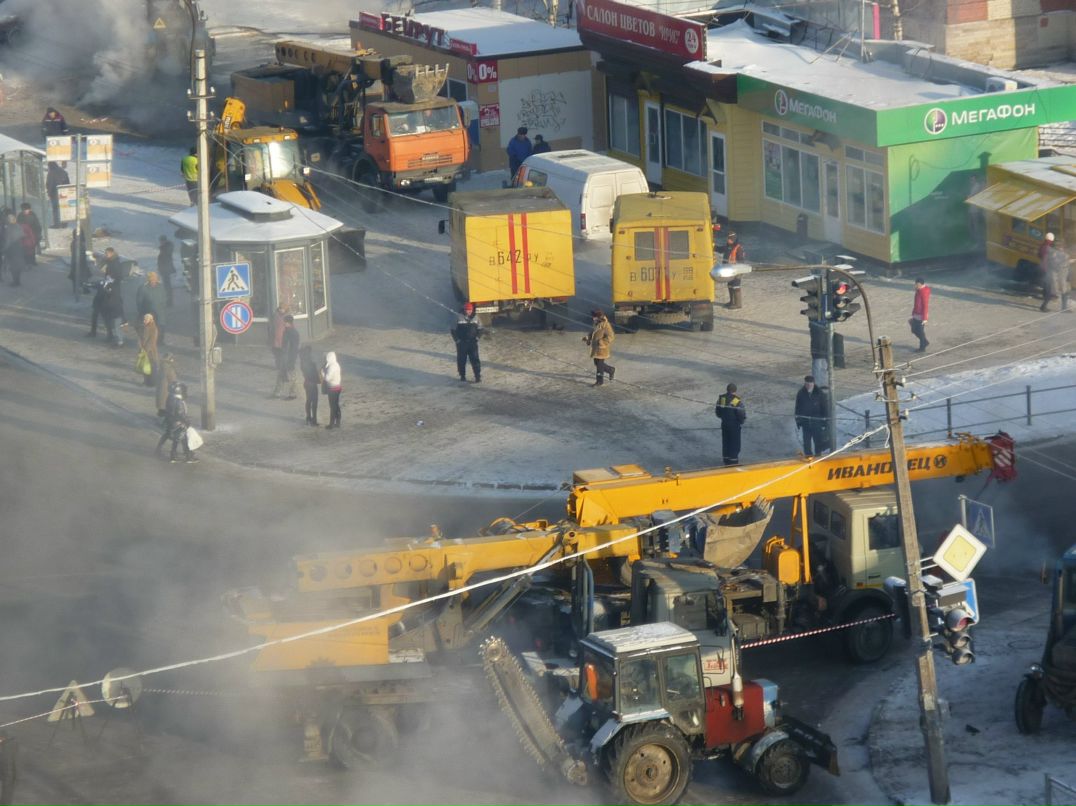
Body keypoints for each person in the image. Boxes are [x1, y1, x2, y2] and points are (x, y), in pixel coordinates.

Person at [156, 382, 197, 463]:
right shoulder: (178, 401)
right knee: (183, 438)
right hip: (178, 423)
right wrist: (187, 421)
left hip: (170, 421)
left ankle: (161, 451)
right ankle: (187, 456)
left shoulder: (170, 397)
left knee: (170, 436)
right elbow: (180, 413)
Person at [794, 375, 827, 456]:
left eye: (810, 384)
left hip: (817, 422)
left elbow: (825, 408)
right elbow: (798, 408)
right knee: (806, 443)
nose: (808, 386)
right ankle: (808, 457)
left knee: (818, 442)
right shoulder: (801, 393)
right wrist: (798, 421)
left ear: (813, 384)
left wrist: (824, 422)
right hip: (806, 423)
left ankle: (818, 456)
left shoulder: (819, 393)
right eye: (807, 384)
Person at [715, 383, 746, 466]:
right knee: (734, 443)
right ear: (735, 391)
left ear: (727, 390)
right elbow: (741, 414)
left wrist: (724, 418)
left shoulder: (722, 399)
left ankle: (726, 459)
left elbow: (718, 412)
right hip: (734, 425)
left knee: (726, 442)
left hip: (724, 424)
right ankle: (733, 462)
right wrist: (741, 421)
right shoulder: (736, 401)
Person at [583, 309, 616, 387]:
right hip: (595, 348)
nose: (593, 318)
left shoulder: (606, 325)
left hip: (602, 348)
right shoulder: (596, 323)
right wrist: (588, 338)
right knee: (596, 363)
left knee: (599, 366)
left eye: (595, 317)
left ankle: (599, 381)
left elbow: (611, 336)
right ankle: (610, 370)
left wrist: (602, 342)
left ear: (599, 317)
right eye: (593, 317)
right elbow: (592, 333)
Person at [451, 302, 482, 383]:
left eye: (470, 310)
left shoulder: (476, 317)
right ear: (464, 310)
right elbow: (453, 330)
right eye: (467, 310)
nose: (469, 311)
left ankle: (477, 376)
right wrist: (457, 340)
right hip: (462, 343)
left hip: (472, 343)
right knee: (461, 360)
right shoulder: (458, 317)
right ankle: (462, 375)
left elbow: (480, 329)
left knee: (475, 359)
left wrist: (477, 338)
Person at [136, 272, 168, 346]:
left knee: (161, 326)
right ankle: (151, 341)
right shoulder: (143, 288)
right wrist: (142, 312)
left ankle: (160, 341)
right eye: (152, 278)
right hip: (149, 312)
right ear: (148, 279)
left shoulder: (161, 287)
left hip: (160, 311)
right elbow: (139, 301)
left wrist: (163, 305)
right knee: (150, 328)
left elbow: (164, 297)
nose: (153, 280)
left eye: (155, 278)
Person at [273, 315, 300, 399]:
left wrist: (291, 360)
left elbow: (294, 348)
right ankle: (277, 393)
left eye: (284, 321)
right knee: (281, 374)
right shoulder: (287, 331)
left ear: (288, 322)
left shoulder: (292, 333)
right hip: (285, 357)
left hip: (289, 358)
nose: (283, 323)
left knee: (292, 376)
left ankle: (293, 394)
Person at [1041, 238, 1070, 313]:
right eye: (1059, 246)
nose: (1061, 247)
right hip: (1053, 276)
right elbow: (1056, 264)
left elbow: (1064, 261)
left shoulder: (1060, 253)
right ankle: (1043, 306)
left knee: (1065, 291)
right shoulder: (1053, 253)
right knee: (1051, 292)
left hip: (1060, 277)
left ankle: (1064, 308)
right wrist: (1066, 262)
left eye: (1062, 246)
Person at [299, 345, 321, 426]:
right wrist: (319, 380)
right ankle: (314, 420)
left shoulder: (302, 362)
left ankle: (308, 418)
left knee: (308, 401)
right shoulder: (311, 364)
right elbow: (314, 375)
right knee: (314, 402)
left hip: (307, 383)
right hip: (312, 384)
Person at [268, 303, 287, 395]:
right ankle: (278, 365)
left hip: (282, 341)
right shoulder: (275, 316)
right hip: (275, 340)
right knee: (277, 355)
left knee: (281, 356)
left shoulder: (286, 317)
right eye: (280, 308)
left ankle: (281, 365)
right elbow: (271, 328)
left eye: (282, 309)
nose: (281, 310)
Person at [2, 212, 25, 286]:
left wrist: (4, 249)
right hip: (19, 248)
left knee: (12, 266)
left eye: (8, 219)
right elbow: (22, 235)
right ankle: (18, 281)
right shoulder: (18, 226)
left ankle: (15, 282)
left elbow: (8, 240)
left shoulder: (9, 228)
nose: (6, 220)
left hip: (11, 249)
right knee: (17, 265)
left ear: (9, 220)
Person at [723, 231, 745, 309]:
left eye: (729, 239)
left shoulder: (738, 248)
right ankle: (731, 302)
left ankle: (738, 304)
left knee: (735, 286)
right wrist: (713, 246)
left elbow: (741, 260)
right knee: (730, 285)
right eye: (727, 238)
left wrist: (733, 262)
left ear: (733, 239)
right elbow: (721, 249)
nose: (727, 240)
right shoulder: (728, 246)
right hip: (729, 270)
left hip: (737, 270)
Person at [46, 161, 70, 228]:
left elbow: (49, 184)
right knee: (63, 208)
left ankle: (56, 224)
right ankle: (65, 223)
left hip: (54, 193)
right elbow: (67, 182)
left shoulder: (51, 173)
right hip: (64, 193)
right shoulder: (63, 171)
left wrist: (49, 193)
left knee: (55, 209)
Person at [322, 351, 342, 429]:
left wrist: (323, 373)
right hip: (337, 387)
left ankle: (331, 424)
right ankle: (338, 422)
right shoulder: (336, 364)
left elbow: (327, 378)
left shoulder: (331, 366)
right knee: (336, 405)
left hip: (332, 388)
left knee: (332, 406)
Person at [138, 313, 159, 387]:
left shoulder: (153, 329)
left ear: (151, 320)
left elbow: (151, 341)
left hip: (150, 352)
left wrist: (145, 350)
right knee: (144, 367)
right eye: (144, 319)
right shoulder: (143, 327)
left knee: (152, 367)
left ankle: (152, 382)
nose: (144, 321)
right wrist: (140, 347)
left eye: (146, 319)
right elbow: (140, 338)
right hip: (143, 351)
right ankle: (146, 381)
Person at [910, 277, 930, 351]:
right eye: (915, 284)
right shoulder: (919, 290)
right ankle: (925, 342)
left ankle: (922, 348)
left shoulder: (923, 292)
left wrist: (925, 318)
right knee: (914, 330)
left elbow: (925, 306)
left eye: (917, 284)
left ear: (921, 284)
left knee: (920, 332)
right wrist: (913, 313)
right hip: (916, 313)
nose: (915, 285)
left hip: (921, 316)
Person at [156, 353, 178, 417]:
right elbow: (172, 380)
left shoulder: (161, 366)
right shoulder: (169, 368)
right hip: (166, 391)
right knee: (165, 404)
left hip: (160, 390)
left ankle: (160, 414)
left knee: (161, 405)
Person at [156, 235, 175, 308]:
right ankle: (168, 301)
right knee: (167, 286)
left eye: (161, 241)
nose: (160, 242)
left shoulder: (165, 249)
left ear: (164, 241)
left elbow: (164, 260)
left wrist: (162, 268)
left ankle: (169, 302)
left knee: (167, 286)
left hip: (165, 270)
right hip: (165, 269)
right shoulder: (165, 248)